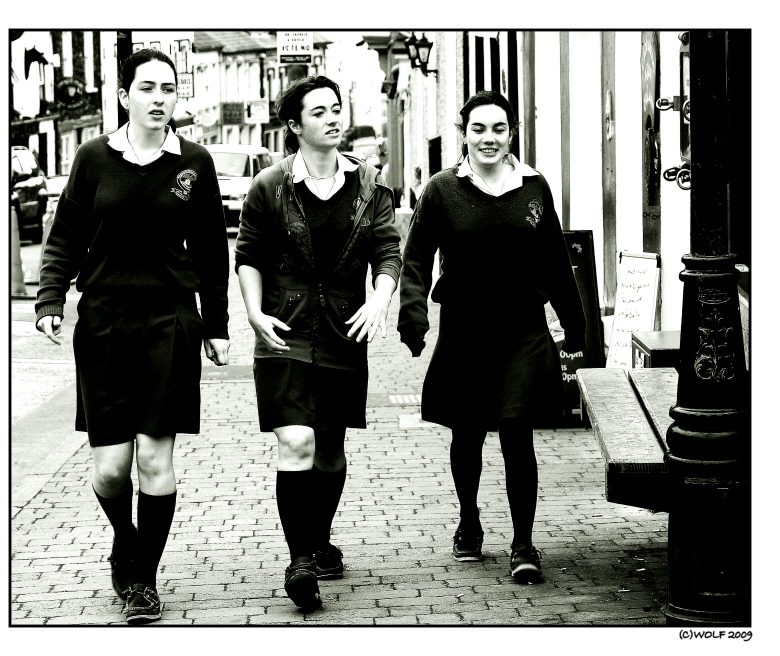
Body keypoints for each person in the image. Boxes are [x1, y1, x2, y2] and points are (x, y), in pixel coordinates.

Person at [35, 48, 230, 625]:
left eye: (168, 88)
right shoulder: (93, 158)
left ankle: (143, 579)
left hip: (170, 321)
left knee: (154, 456)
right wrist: (49, 299)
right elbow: (65, 235)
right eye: (147, 87)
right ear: (124, 96)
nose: (159, 97)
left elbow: (213, 255)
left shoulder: (193, 161)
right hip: (104, 323)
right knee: (111, 468)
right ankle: (126, 537)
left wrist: (215, 326)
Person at [397, 90, 586, 582]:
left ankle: (523, 542)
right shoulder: (441, 190)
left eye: (498, 128)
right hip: (465, 328)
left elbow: (555, 259)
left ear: (512, 133)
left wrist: (577, 322)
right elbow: (415, 258)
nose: (488, 138)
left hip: (523, 329)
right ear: (464, 134)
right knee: (468, 431)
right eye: (478, 128)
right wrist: (412, 315)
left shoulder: (534, 187)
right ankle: (469, 521)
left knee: (517, 431)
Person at [234, 75, 400, 611]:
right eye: (320, 111)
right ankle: (300, 558)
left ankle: (319, 537)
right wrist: (254, 312)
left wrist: (380, 299)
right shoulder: (269, 186)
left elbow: (387, 251)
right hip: (283, 330)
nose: (333, 118)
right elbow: (249, 255)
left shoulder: (370, 185)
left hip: (342, 332)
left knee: (330, 448)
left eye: (337, 108)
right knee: (297, 442)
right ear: (294, 125)